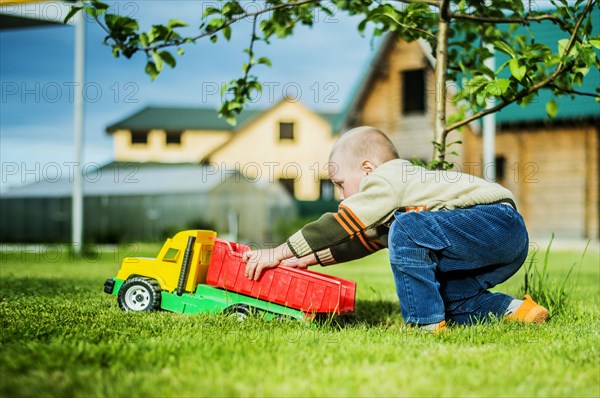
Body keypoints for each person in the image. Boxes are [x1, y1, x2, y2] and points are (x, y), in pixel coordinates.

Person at [243, 126, 549, 330]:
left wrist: (279, 250)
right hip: (507, 243)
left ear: (367, 169)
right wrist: (312, 258)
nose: (340, 195)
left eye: (339, 184)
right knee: (449, 299)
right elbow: (364, 240)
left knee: (405, 228)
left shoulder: (388, 178)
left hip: (494, 221)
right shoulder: (398, 203)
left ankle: (425, 324)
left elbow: (343, 222)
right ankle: (516, 310)